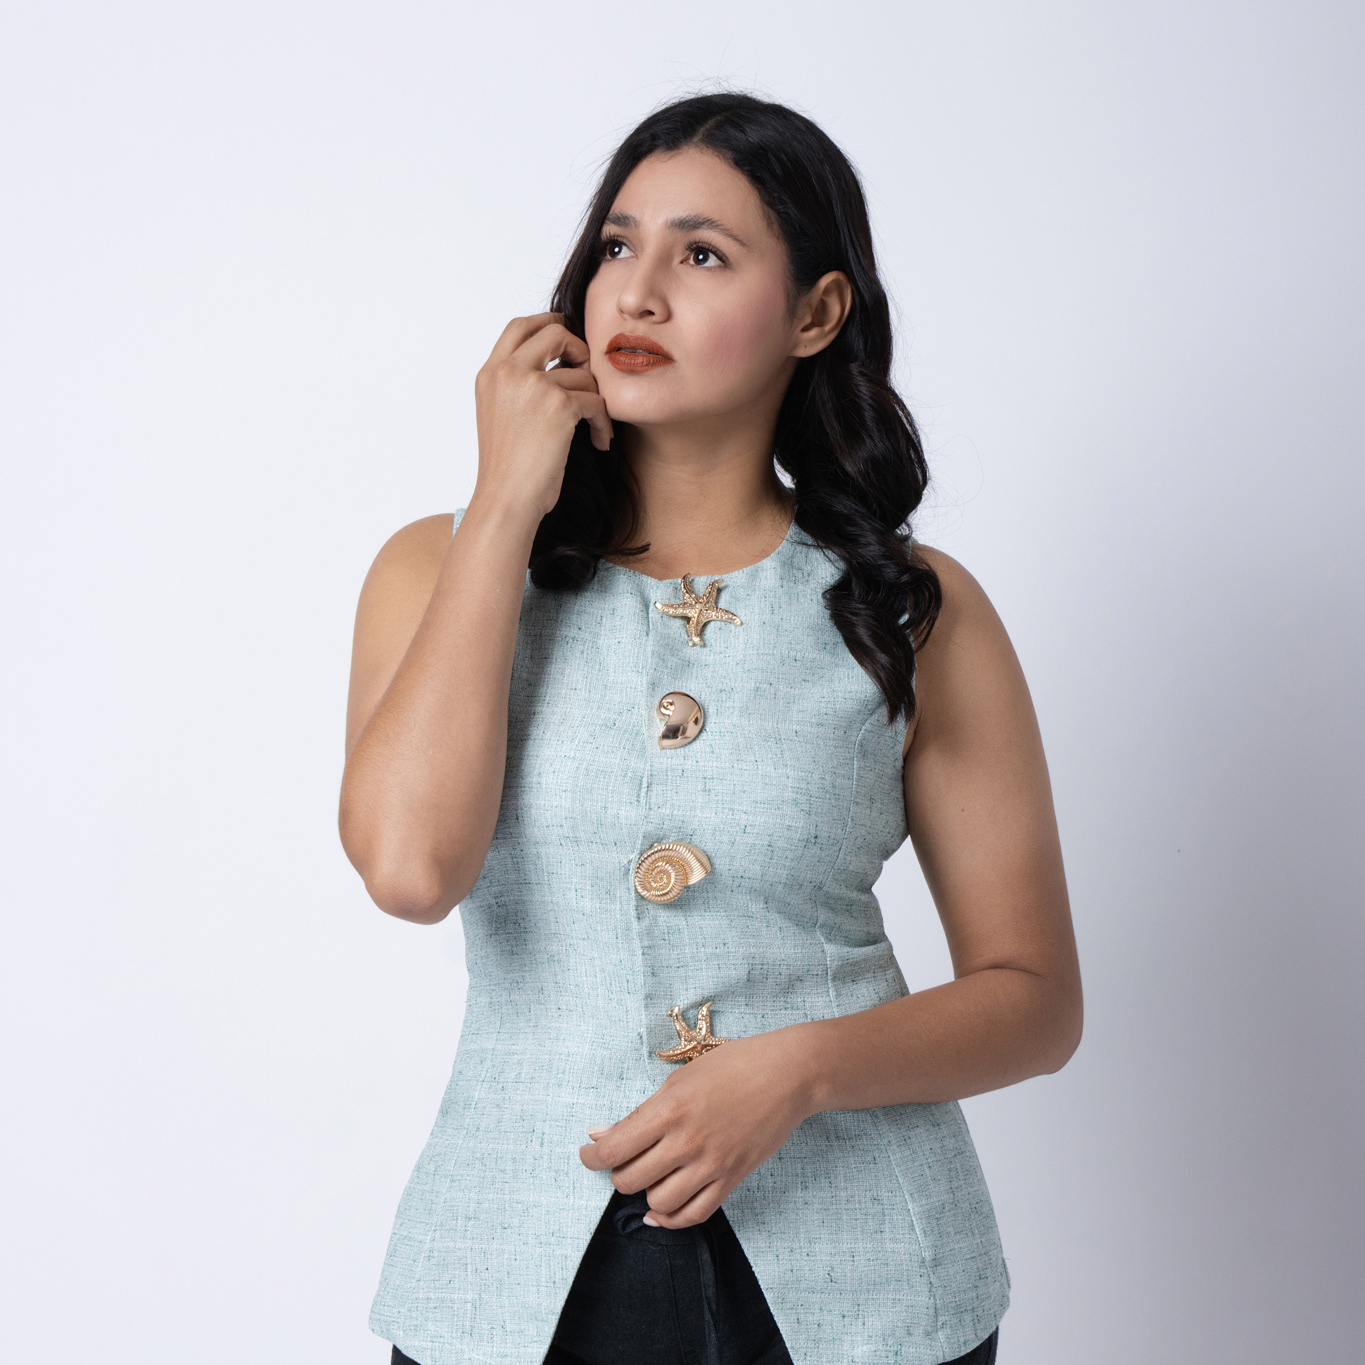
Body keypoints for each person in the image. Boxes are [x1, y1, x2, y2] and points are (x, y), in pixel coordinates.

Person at [340, 92, 1081, 1365]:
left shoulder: (911, 609)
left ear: (816, 313)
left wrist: (799, 1070)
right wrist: (506, 501)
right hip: (508, 1285)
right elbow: (410, 871)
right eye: (616, 246)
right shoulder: (437, 567)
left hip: (867, 1292)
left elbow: (1035, 1000)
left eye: (701, 254)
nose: (636, 293)